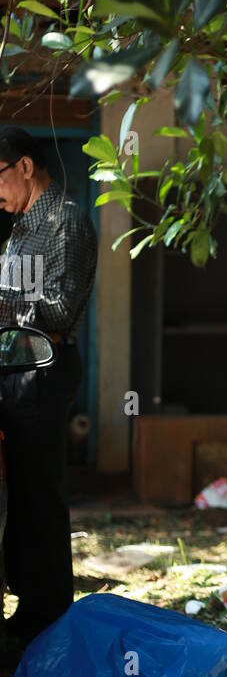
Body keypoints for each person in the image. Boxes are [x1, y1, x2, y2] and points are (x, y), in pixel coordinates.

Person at [0, 127, 97, 646]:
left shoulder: (67, 221)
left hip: (45, 367)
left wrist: (1, 307)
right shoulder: (19, 226)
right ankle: (29, 604)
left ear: (25, 167)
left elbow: (58, 305)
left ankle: (49, 612)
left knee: (41, 492)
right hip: (16, 367)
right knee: (20, 491)